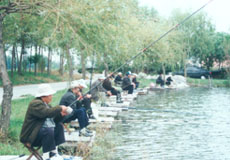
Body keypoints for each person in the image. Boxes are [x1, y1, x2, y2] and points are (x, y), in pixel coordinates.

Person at [20, 84, 72, 160]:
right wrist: (60, 107)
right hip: (30, 136)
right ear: (44, 96)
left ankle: (54, 152)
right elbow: (46, 113)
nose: (52, 97)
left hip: (39, 133)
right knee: (48, 130)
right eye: (50, 95)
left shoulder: (45, 105)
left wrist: (61, 114)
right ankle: (46, 156)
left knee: (58, 126)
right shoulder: (35, 104)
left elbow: (53, 119)